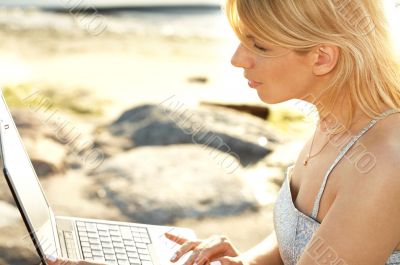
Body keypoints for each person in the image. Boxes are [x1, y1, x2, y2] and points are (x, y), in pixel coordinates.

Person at [47, 0, 400, 264]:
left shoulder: (383, 163)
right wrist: (244, 262)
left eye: (259, 45)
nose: (237, 59)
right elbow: (302, 241)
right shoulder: (335, 123)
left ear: (322, 57)